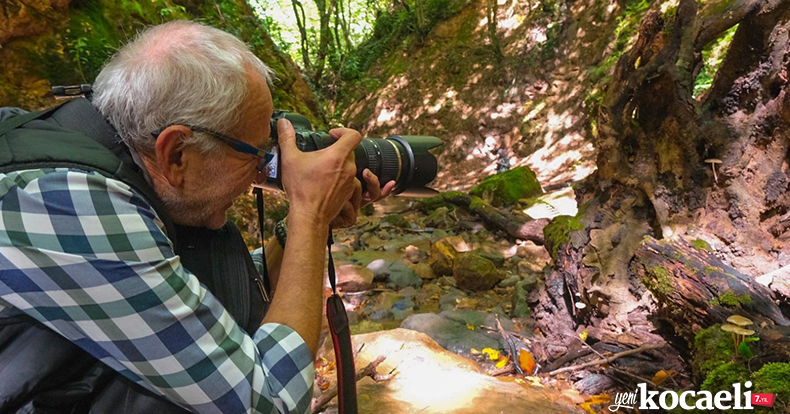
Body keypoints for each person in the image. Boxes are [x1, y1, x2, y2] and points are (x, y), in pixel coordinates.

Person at [0, 20, 393, 413]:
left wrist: (298, 230)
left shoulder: (98, 151)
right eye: (254, 152)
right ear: (176, 153)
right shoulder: (71, 204)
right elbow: (269, 401)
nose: (263, 171)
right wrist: (310, 214)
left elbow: (189, 295)